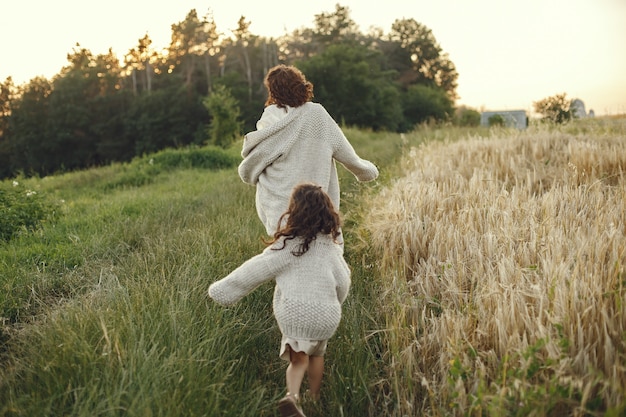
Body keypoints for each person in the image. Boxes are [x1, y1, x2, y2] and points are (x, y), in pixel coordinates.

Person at [208, 183, 351, 417]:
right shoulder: (331, 249)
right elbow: (343, 281)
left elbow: (254, 270)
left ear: (293, 212)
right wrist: (336, 302)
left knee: (298, 361)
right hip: (326, 317)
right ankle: (314, 399)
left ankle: (293, 397)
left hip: (294, 316)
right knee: (317, 356)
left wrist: (223, 290)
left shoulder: (286, 246)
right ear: (328, 212)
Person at [238, 64, 379, 237]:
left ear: (272, 91)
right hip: (317, 208)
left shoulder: (269, 119)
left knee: (285, 255)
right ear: (300, 84)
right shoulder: (317, 114)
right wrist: (365, 171)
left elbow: (250, 166)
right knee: (322, 255)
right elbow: (346, 153)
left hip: (280, 210)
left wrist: (248, 173)